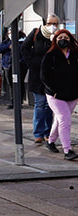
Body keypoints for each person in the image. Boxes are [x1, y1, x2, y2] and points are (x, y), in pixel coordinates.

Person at [41, 29, 78, 160]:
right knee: (65, 120)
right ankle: (67, 150)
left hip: (72, 94)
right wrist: (54, 89)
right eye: (60, 37)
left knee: (60, 119)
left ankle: (51, 141)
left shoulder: (75, 54)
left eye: (66, 37)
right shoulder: (51, 55)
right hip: (55, 95)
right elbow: (44, 75)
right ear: (55, 40)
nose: (63, 39)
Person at [22, 15, 58, 144]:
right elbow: (24, 47)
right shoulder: (36, 33)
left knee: (50, 106)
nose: (52, 26)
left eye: (55, 23)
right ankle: (38, 133)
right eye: (49, 23)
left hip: (51, 76)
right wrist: (31, 62)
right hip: (37, 75)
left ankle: (48, 132)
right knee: (40, 104)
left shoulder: (58, 36)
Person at [0, 27, 27, 109]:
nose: (10, 34)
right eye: (9, 32)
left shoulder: (22, 41)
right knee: (11, 84)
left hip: (20, 66)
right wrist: (8, 46)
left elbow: (25, 52)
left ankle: (19, 102)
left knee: (19, 83)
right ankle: (13, 101)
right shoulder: (6, 42)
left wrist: (20, 61)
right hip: (8, 65)